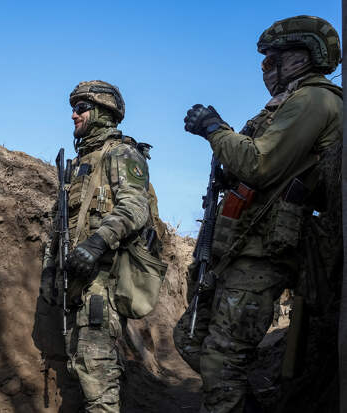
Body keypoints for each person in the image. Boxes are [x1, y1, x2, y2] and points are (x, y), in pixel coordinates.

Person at [174, 15, 342, 413]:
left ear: (302, 57)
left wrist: (214, 128)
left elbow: (259, 166)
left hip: (266, 251)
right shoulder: (288, 103)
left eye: (272, 60)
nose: (266, 70)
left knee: (221, 360)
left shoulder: (315, 100)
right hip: (243, 245)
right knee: (190, 338)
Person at [40, 80, 159, 412]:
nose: (74, 115)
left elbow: (135, 208)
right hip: (76, 281)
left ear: (104, 113)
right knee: (82, 367)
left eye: (81, 108)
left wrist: (95, 244)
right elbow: (60, 228)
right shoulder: (79, 164)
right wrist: (51, 271)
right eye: (73, 108)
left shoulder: (121, 153)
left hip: (102, 282)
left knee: (97, 373)